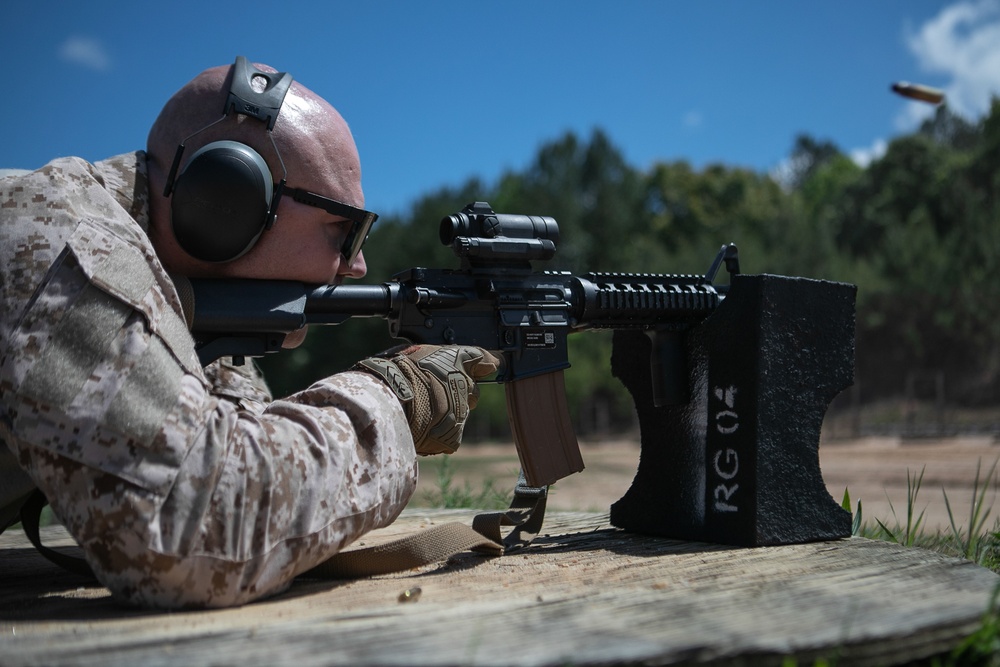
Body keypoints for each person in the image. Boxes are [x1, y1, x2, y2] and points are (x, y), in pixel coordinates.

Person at [0, 57, 498, 609]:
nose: (356, 266)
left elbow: (245, 440)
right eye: (344, 230)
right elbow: (196, 528)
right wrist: (401, 395)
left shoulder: (176, 296)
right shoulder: (59, 238)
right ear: (228, 203)